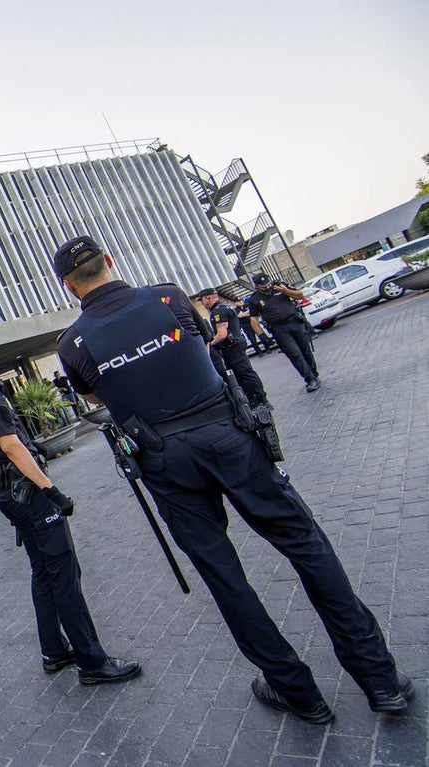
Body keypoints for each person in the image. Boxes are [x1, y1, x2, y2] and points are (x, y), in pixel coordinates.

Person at [53, 234, 412, 723]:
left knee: (225, 577)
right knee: (305, 544)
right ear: (110, 262)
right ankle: (380, 680)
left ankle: (296, 691)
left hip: (164, 459)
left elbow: (96, 397)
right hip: (228, 434)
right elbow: (199, 348)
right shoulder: (168, 297)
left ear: (70, 286)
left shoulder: (71, 342)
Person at [0, 333, 142, 685]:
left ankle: (54, 650)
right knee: (64, 573)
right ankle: (92, 661)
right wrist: (51, 490)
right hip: (28, 494)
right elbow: (12, 447)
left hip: (7, 495)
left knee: (43, 571)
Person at [247, 273, 321, 392]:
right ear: (257, 286)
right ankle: (309, 379)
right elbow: (253, 319)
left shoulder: (281, 287)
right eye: (263, 285)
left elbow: (300, 295)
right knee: (294, 354)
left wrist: (285, 290)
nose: (267, 286)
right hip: (279, 329)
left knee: (305, 350)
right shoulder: (254, 299)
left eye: (268, 283)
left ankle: (314, 374)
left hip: (294, 322)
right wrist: (262, 335)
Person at [197, 287, 269, 406]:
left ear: (208, 298)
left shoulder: (218, 311)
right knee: (240, 375)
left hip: (233, 347)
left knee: (245, 373)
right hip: (233, 346)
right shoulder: (224, 307)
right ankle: (253, 399)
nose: (203, 303)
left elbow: (222, 334)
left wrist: (211, 344)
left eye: (202, 300)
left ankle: (261, 399)